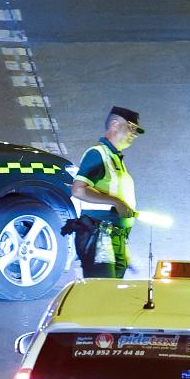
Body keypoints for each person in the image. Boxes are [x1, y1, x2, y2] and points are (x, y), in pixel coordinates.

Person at [67, 106, 143, 278]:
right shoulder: (98, 154)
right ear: (115, 124)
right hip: (99, 236)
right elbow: (78, 190)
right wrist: (116, 201)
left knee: (112, 297)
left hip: (114, 238)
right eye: (131, 127)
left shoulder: (115, 158)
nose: (135, 134)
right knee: (101, 296)